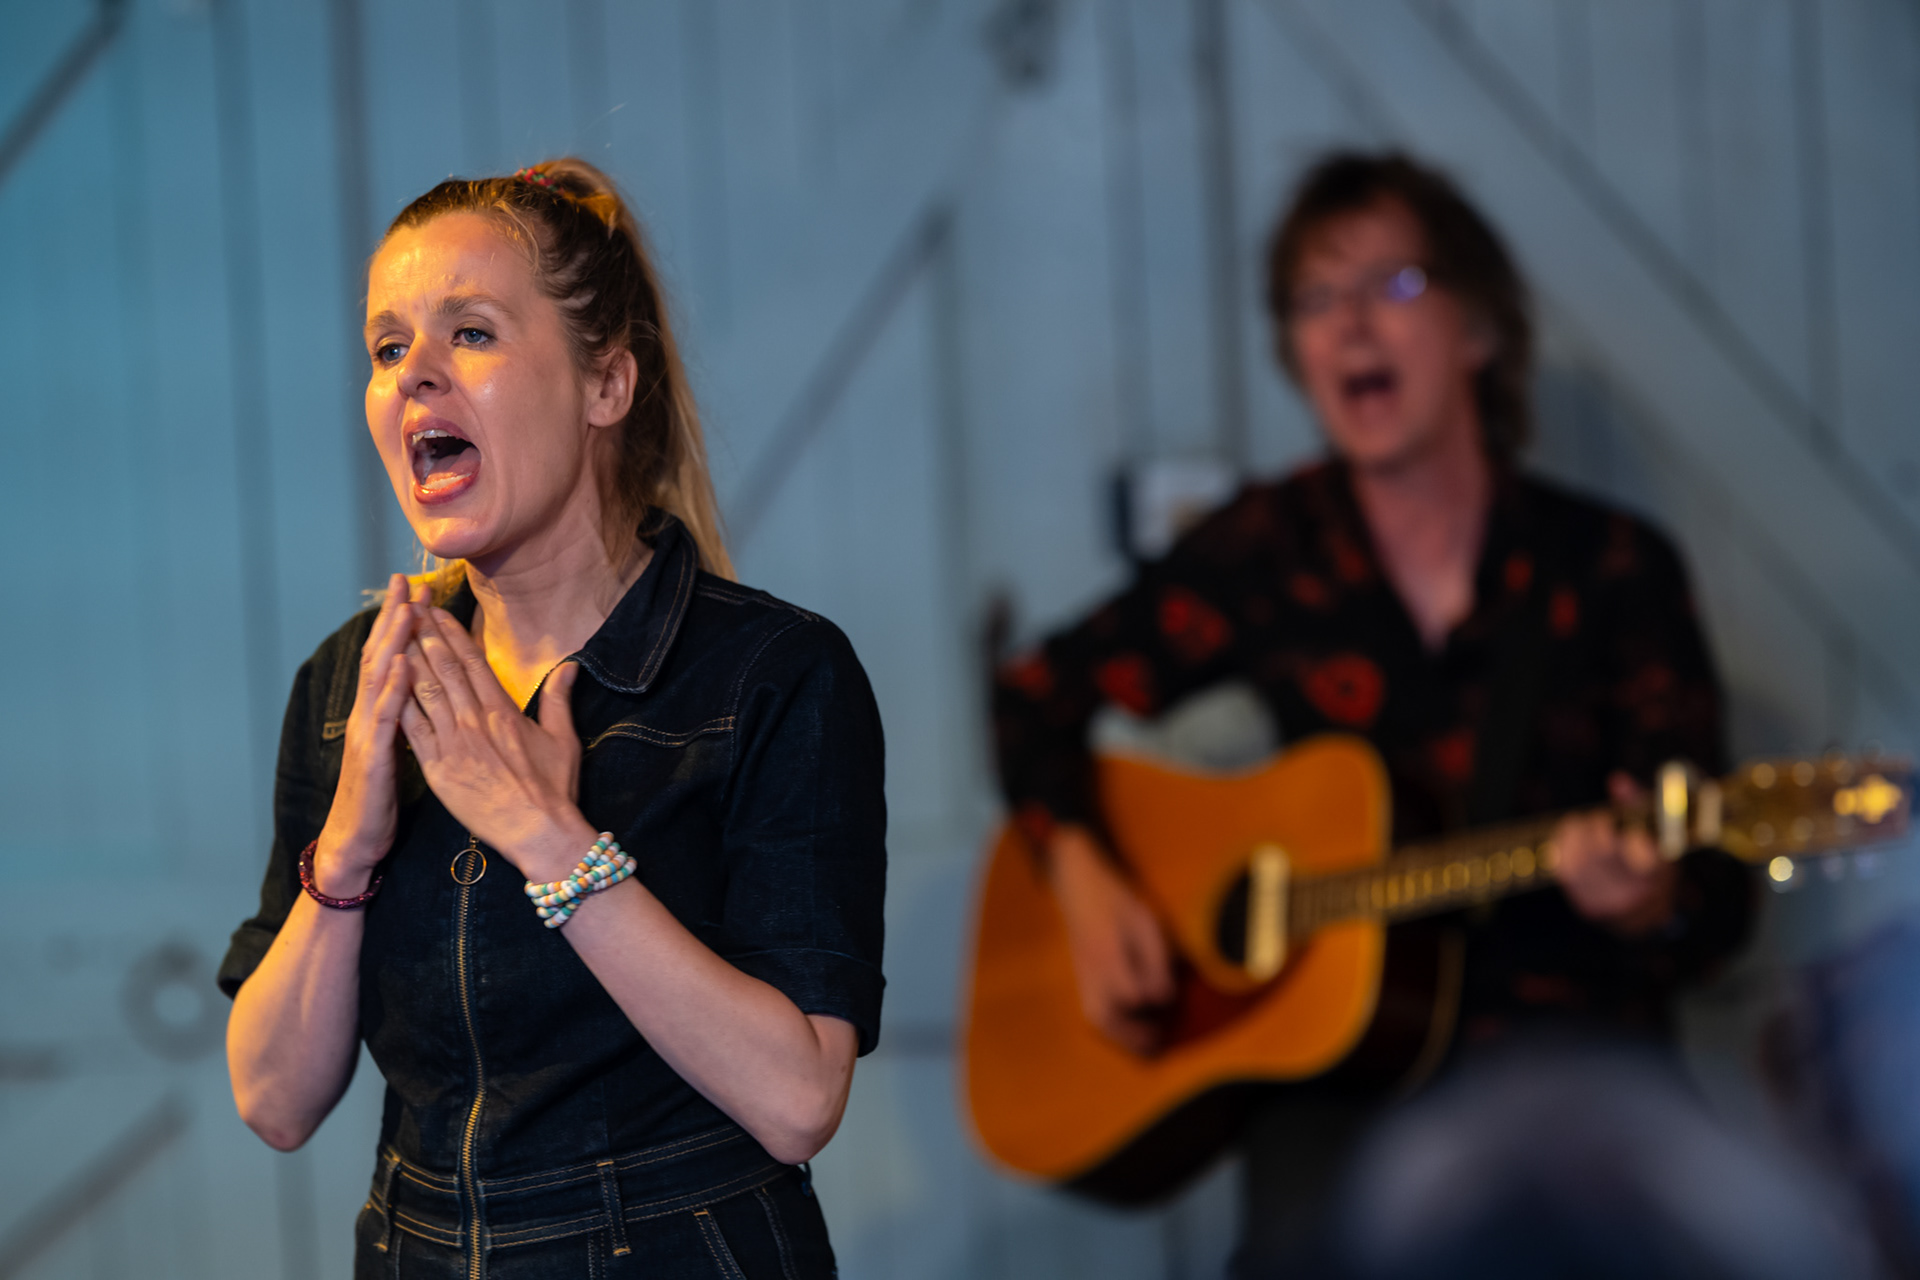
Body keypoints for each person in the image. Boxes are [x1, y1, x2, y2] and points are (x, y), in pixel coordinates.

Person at [990, 152, 1753, 1272]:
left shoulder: (1614, 571)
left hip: (1572, 1070)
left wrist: (1653, 901)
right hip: (1343, 1085)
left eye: (1394, 286)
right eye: (1315, 298)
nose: (1352, 326)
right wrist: (1090, 879)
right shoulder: (1269, 550)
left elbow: (1721, 899)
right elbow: (1034, 698)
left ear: (1481, 330)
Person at [219, 159, 886, 1278]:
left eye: (470, 333)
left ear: (605, 385)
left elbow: (799, 1097)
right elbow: (275, 1100)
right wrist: (348, 846)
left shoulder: (771, 674)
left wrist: (549, 836)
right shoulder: (351, 683)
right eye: (388, 349)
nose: (414, 377)